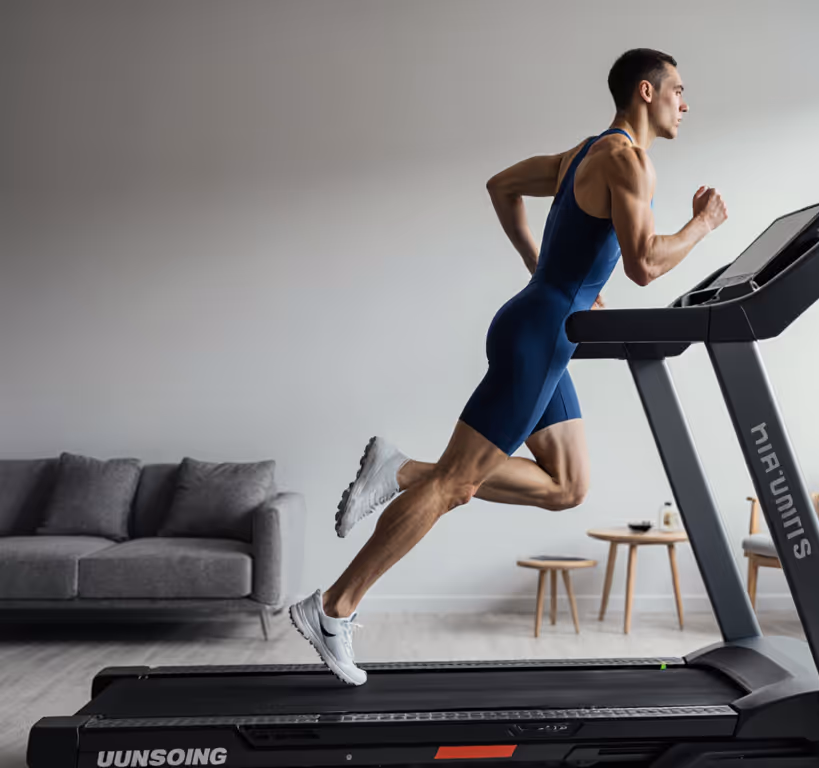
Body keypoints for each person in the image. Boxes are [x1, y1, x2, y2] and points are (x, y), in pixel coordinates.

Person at [289, 48, 728, 685]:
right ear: (646, 91)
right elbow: (645, 265)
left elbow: (500, 186)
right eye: (679, 91)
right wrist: (703, 224)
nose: (685, 104)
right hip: (539, 336)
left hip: (541, 326)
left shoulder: (586, 153)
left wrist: (543, 271)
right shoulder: (630, 162)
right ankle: (332, 608)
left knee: (567, 487)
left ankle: (404, 468)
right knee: (456, 487)